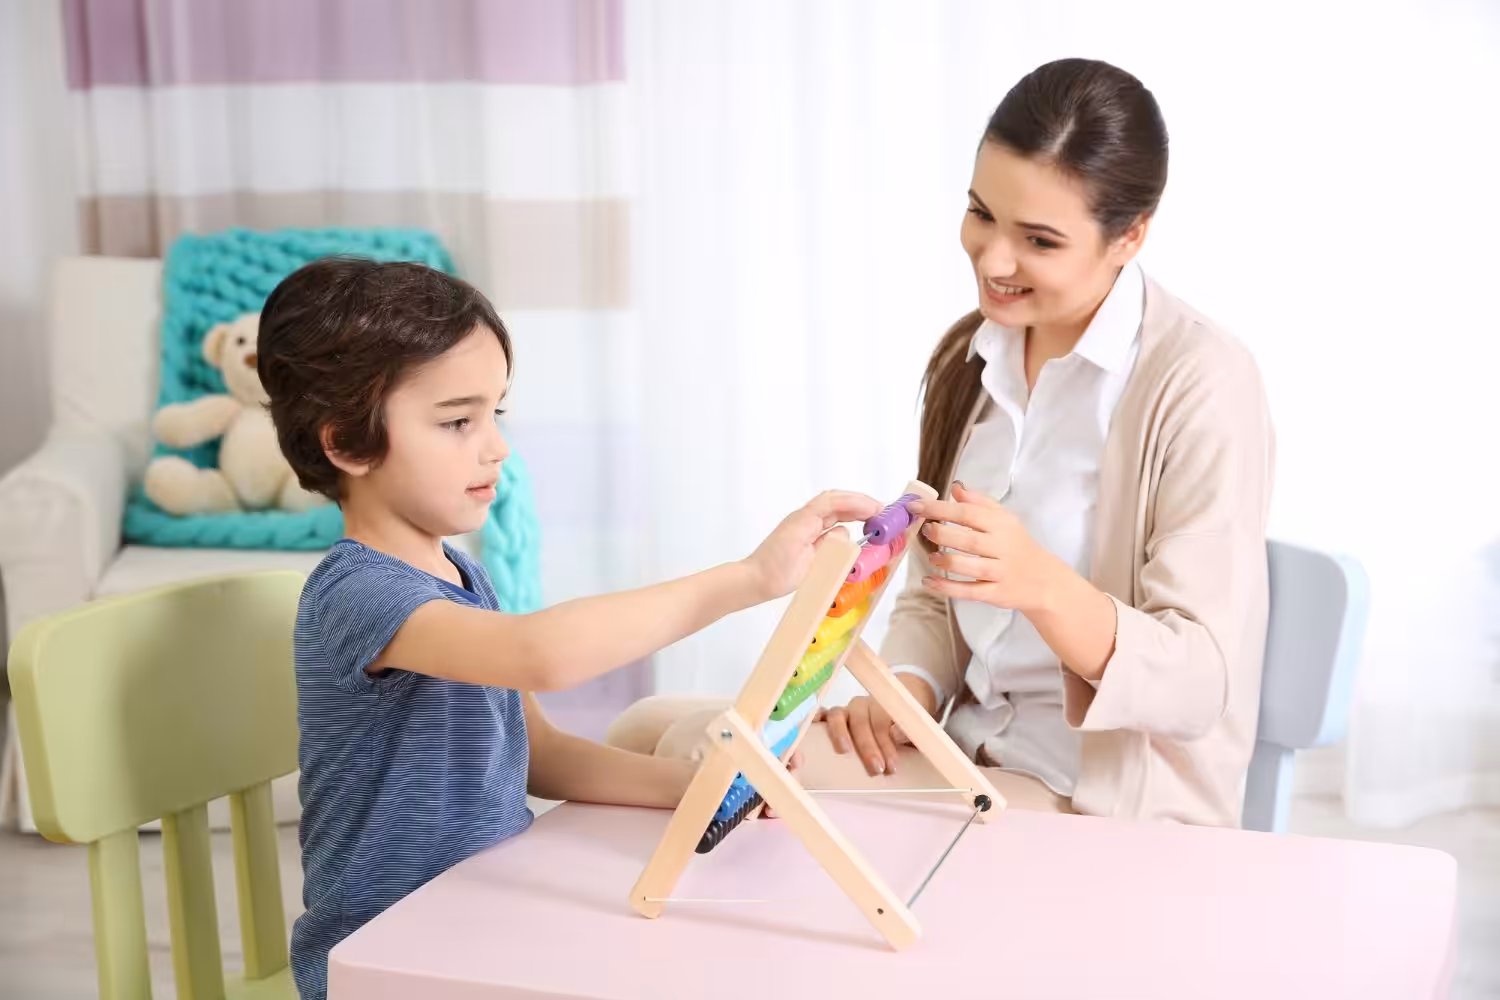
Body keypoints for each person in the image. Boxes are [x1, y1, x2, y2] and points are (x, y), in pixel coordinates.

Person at [607, 57, 1274, 828]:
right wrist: (905, 693)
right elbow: (933, 587)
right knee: (642, 726)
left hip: (1092, 795)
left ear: (1129, 237)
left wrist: (1040, 584)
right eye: (981, 213)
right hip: (961, 749)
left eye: (1039, 240)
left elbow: (1201, 682)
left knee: (694, 755)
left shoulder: (1201, 384)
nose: (993, 259)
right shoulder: (980, 353)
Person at [256, 257, 880, 999]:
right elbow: (540, 655)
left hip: (482, 921)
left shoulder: (461, 577)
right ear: (348, 445)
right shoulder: (357, 593)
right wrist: (748, 579)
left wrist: (701, 789)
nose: (495, 447)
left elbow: (537, 754)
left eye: (497, 414)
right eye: (458, 421)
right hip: (383, 961)